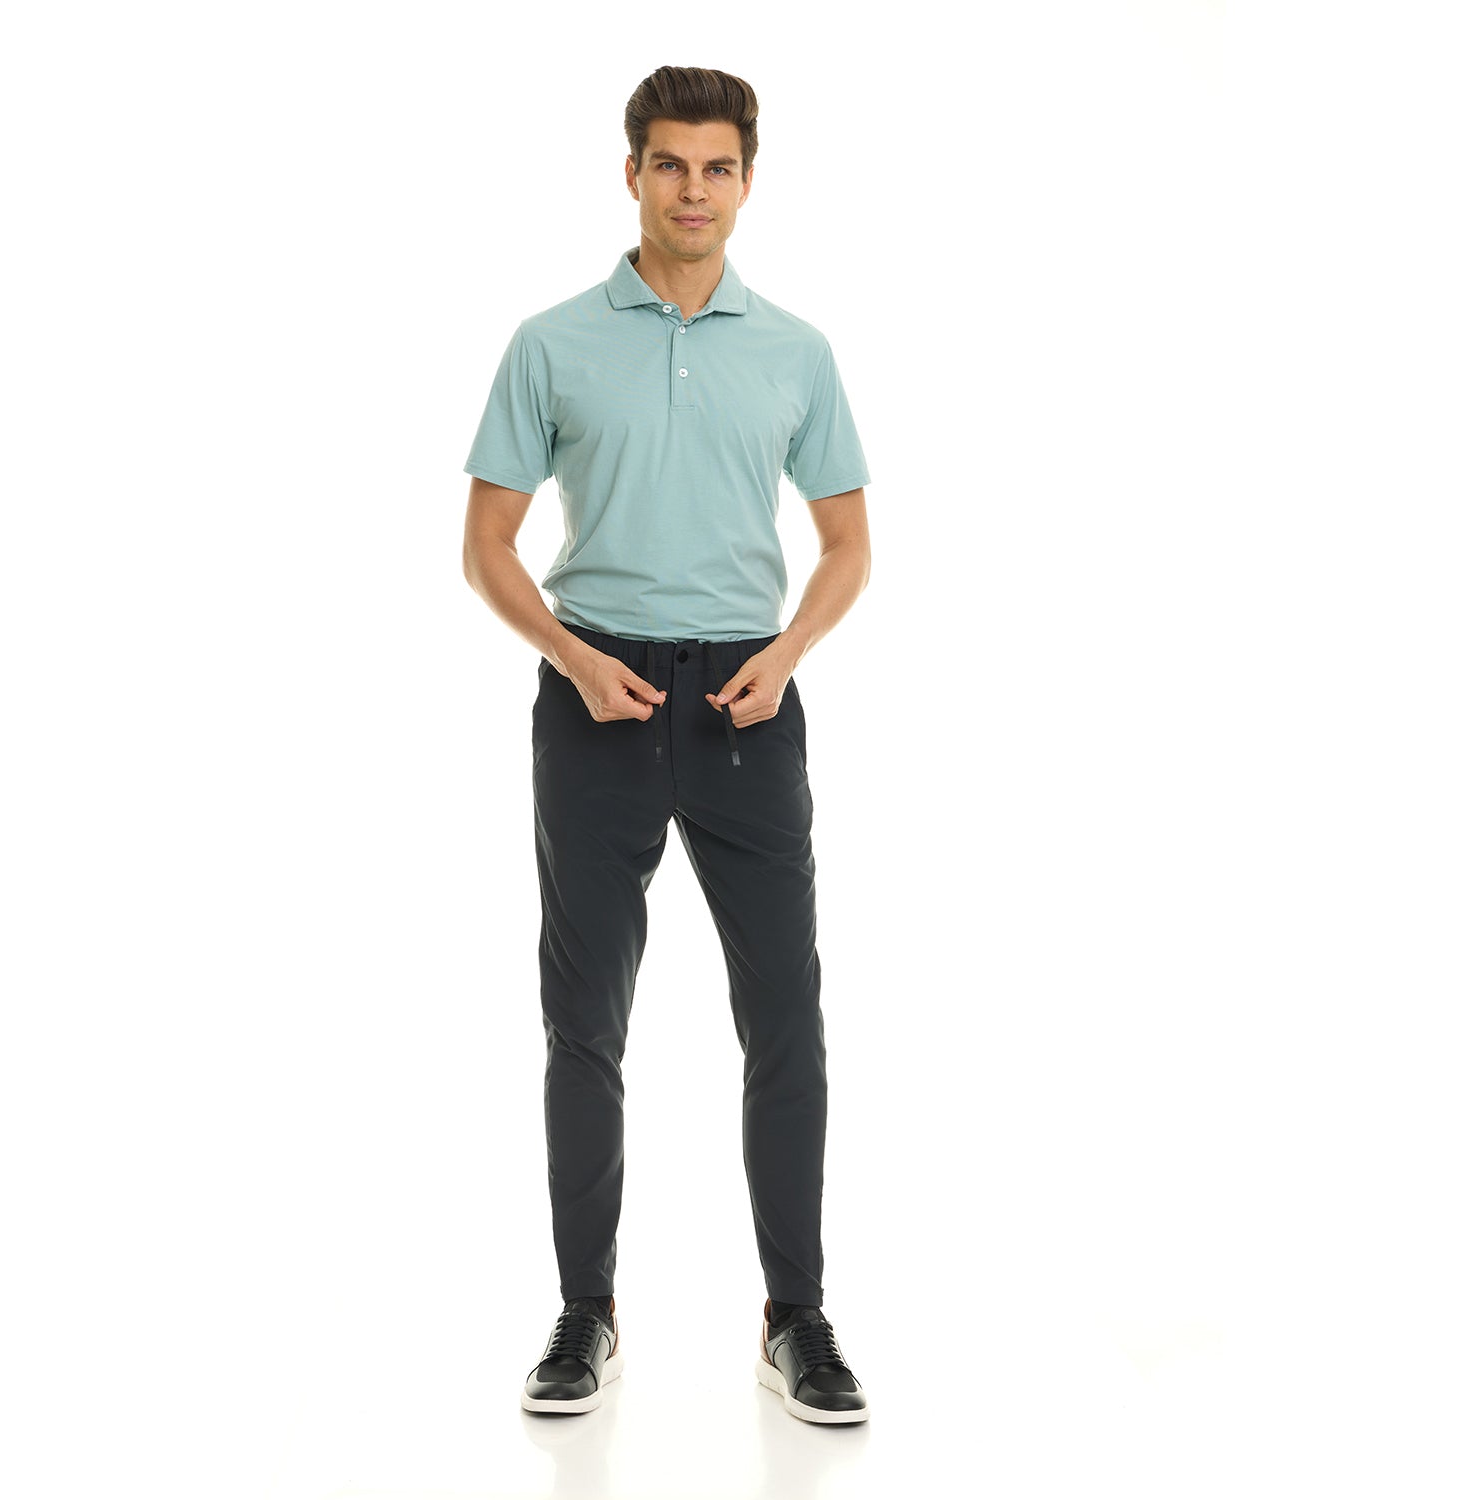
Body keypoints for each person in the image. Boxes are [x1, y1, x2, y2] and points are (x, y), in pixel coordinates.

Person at [460, 65, 872, 1425]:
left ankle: (796, 1317)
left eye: (718, 167)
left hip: (749, 703)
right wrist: (571, 658)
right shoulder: (552, 342)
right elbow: (487, 543)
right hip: (596, 697)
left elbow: (848, 544)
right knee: (584, 1021)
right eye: (670, 164)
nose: (694, 191)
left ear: (748, 180)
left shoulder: (796, 351)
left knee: (787, 1018)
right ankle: (586, 1314)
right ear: (631, 173)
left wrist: (786, 656)